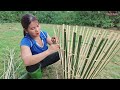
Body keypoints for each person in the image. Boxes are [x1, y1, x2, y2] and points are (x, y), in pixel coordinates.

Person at [20, 14, 60, 79]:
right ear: (26, 30)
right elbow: (26, 61)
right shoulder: (26, 41)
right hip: (36, 63)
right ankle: (37, 74)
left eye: (37, 26)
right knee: (31, 67)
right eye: (33, 28)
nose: (37, 30)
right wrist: (48, 51)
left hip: (46, 59)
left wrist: (54, 41)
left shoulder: (43, 34)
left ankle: (41, 67)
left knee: (61, 53)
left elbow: (52, 43)